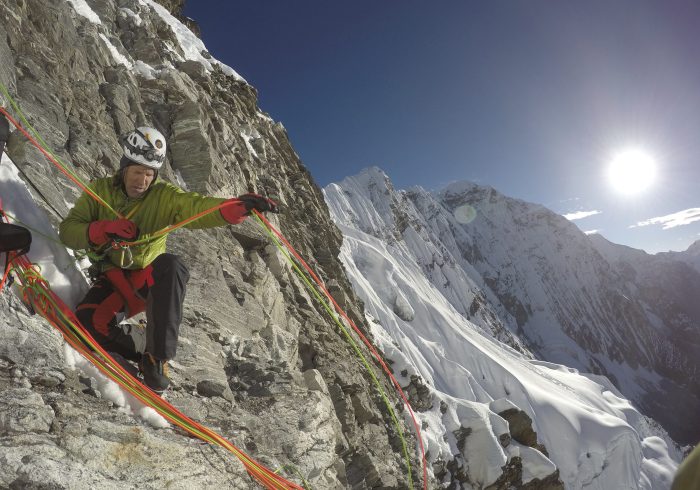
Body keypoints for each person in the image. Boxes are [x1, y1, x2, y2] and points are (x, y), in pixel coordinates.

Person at [59, 126, 277, 393]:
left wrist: (237, 208)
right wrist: (102, 229)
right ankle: (142, 344)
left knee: (172, 266)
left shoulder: (163, 196)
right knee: (86, 326)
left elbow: (196, 207)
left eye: (149, 174)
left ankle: (156, 358)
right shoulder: (100, 191)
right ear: (124, 167)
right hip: (114, 276)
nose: (143, 180)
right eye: (137, 171)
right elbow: (68, 232)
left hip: (147, 278)